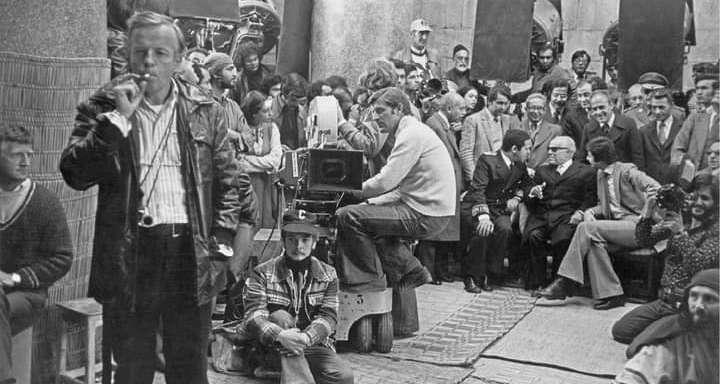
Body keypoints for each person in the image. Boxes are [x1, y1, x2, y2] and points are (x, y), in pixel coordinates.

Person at [59, 12, 257, 384]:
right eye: (140, 52)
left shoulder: (206, 109)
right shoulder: (102, 107)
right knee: (133, 366)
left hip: (191, 252)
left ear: (180, 57)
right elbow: (74, 173)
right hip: (130, 251)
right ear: (127, 57)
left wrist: (222, 241)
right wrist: (117, 122)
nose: (149, 62)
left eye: (161, 53)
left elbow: (231, 182)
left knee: (188, 365)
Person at [335, 87, 456, 291]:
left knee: (347, 216)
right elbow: (402, 188)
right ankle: (411, 271)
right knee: (371, 222)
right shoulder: (412, 130)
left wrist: (351, 190)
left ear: (398, 109)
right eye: (374, 112)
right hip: (429, 210)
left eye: (381, 111)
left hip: (426, 214)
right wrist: (369, 202)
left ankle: (371, 282)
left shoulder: (411, 134)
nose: (375, 118)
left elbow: (384, 182)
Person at [538, 136, 660, 310]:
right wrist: (589, 211)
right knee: (594, 242)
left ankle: (566, 280)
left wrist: (647, 211)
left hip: (641, 227)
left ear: (600, 158)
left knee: (586, 228)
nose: (587, 159)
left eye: (589, 156)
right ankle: (612, 294)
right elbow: (604, 206)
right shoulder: (601, 175)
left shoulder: (627, 171)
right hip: (618, 227)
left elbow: (657, 188)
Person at [242, 210, 353, 384]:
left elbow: (329, 317)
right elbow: (253, 317)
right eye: (292, 240)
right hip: (272, 345)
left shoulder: (329, 274)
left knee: (343, 376)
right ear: (283, 242)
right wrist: (281, 336)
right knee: (281, 317)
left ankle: (277, 373)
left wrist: (306, 338)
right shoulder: (262, 272)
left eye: (305, 240)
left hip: (310, 345)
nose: (298, 246)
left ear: (314, 243)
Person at [0, 125, 73, 383]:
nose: (26, 162)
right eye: (16, 155)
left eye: (29, 155)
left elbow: (63, 258)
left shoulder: (44, 202)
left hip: (26, 296)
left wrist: (16, 278)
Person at [611, 173, 719, 344]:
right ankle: (671, 333)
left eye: (705, 198)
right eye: (694, 197)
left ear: (716, 203)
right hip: (665, 301)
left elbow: (699, 266)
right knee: (621, 331)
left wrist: (680, 233)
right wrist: (646, 213)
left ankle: (682, 334)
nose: (698, 203)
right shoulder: (682, 219)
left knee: (639, 345)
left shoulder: (715, 230)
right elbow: (643, 239)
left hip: (691, 305)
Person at [614, 269, 719, 384]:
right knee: (623, 331)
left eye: (709, 299)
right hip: (669, 303)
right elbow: (631, 379)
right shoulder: (670, 345)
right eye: (694, 296)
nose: (699, 306)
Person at [460, 129, 532, 293]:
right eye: (527, 148)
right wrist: (483, 217)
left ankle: (490, 273)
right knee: (483, 230)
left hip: (499, 209)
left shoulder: (519, 164)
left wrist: (517, 198)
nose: (529, 152)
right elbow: (478, 190)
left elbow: (527, 185)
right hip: (477, 206)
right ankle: (472, 276)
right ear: (514, 149)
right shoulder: (488, 160)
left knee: (505, 229)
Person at [522, 136, 596, 290]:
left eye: (555, 149)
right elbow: (529, 196)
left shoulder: (585, 171)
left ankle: (558, 284)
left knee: (562, 239)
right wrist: (532, 193)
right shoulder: (542, 170)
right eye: (549, 149)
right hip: (542, 217)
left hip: (567, 217)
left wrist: (581, 212)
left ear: (570, 152)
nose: (549, 152)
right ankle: (538, 282)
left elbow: (591, 198)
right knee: (534, 236)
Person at [416, 93, 467, 284]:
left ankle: (440, 270)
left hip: (449, 183)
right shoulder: (434, 123)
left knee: (445, 229)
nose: (464, 112)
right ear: (449, 108)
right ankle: (428, 272)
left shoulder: (445, 124)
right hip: (439, 183)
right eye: (461, 109)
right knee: (433, 230)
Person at [238, 91, 282, 230]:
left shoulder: (272, 128)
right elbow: (237, 162)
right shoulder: (240, 130)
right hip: (246, 186)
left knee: (268, 224)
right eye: (265, 111)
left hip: (268, 187)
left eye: (270, 110)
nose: (271, 114)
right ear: (253, 114)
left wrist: (247, 160)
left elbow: (275, 161)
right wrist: (264, 164)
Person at [460, 86, 521, 184]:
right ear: (489, 101)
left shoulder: (507, 120)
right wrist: (473, 179)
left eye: (506, 104)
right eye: (499, 103)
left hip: (502, 178)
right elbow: (466, 152)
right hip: (481, 177)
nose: (503, 107)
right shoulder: (473, 120)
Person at [578, 90, 644, 168]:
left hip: (623, 176)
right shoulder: (588, 128)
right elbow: (582, 159)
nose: (598, 112)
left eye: (601, 107)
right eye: (594, 109)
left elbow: (637, 156)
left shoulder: (628, 124)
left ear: (611, 105)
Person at [671, 74, 719, 170]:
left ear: (716, 91)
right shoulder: (695, 116)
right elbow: (678, 146)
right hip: (694, 176)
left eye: (704, 88)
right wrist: (686, 167)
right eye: (697, 88)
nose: (699, 92)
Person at [639, 89, 683, 184]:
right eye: (654, 107)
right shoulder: (644, 131)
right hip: (651, 186)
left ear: (671, 105)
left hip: (676, 185)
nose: (657, 112)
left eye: (661, 107)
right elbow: (641, 162)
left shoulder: (683, 129)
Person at [520, 93, 562, 169]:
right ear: (526, 109)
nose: (536, 112)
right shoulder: (518, 127)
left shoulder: (555, 130)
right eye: (532, 108)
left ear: (545, 110)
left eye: (539, 108)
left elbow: (556, 155)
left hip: (544, 175)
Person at [272, 73, 309, 150]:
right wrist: (276, 147)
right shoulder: (269, 108)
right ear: (284, 94)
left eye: (300, 101)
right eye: (293, 100)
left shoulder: (302, 111)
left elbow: (305, 139)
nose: (296, 104)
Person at [562, 80, 592, 147]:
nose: (583, 99)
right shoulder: (571, 117)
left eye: (586, 95)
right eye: (580, 96)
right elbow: (569, 144)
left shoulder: (604, 114)